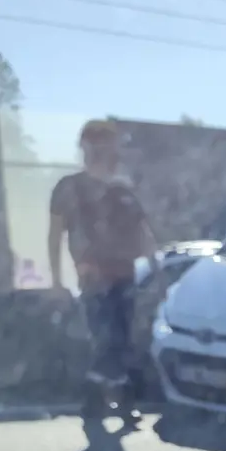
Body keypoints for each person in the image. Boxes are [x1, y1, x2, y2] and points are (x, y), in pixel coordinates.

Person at [48, 119, 159, 428]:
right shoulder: (69, 188)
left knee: (118, 341)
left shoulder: (122, 190)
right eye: (97, 144)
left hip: (125, 276)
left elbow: (143, 230)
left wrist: (155, 267)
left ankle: (97, 403)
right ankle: (113, 402)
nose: (104, 151)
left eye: (109, 144)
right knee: (106, 340)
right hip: (93, 279)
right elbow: (55, 235)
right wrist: (56, 280)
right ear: (85, 148)